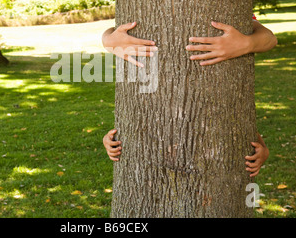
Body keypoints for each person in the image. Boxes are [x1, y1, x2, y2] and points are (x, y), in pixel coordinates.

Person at [102, 16, 276, 177]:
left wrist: (246, 43)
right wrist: (107, 40)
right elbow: (112, 32)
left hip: (213, 148)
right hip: (149, 153)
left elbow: (269, 38)